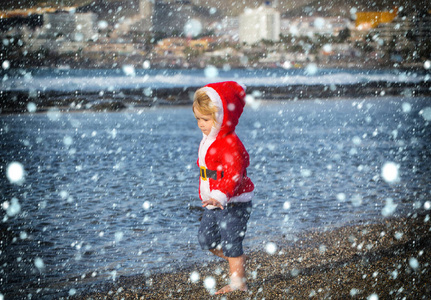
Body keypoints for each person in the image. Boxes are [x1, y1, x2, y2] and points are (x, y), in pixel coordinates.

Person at [192, 81, 254, 294]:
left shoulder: (229, 142)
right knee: (206, 239)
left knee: (231, 241)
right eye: (198, 119)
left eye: (206, 119)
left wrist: (221, 194)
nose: (201, 124)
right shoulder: (209, 139)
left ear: (222, 117)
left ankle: (238, 281)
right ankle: (236, 258)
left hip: (233, 202)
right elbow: (208, 168)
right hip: (213, 201)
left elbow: (234, 174)